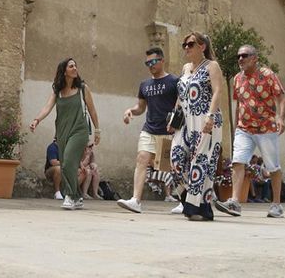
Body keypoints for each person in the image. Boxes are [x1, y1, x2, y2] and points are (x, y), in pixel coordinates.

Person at [214, 44, 285, 219]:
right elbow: (239, 103)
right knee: (238, 162)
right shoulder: (237, 79)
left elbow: (281, 96)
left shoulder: (268, 75)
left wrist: (281, 118)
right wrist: (236, 126)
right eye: (238, 56)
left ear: (254, 58)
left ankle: (276, 204)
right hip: (244, 128)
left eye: (244, 55)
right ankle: (234, 202)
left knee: (273, 167)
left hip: (266, 128)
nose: (240, 59)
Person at [30, 58, 101, 210]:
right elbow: (47, 108)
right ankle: (77, 197)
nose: (75, 68)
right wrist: (37, 120)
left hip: (79, 131)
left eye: (75, 65)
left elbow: (92, 110)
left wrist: (97, 130)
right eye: (71, 66)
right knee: (66, 166)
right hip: (62, 132)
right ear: (64, 71)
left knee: (68, 161)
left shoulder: (83, 88)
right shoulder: (58, 91)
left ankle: (69, 195)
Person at [117, 47, 180, 214]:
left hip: (168, 132)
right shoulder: (144, 84)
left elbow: (180, 105)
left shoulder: (174, 82)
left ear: (162, 60)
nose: (150, 65)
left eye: (153, 62)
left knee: (174, 166)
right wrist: (131, 111)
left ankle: (184, 200)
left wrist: (175, 123)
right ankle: (135, 200)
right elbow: (140, 107)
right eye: (147, 63)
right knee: (142, 159)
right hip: (149, 129)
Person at [170, 32, 226, 221]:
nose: (186, 48)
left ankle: (196, 208)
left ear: (202, 46)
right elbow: (181, 93)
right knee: (176, 158)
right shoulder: (186, 68)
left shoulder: (212, 66)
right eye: (184, 44)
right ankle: (190, 200)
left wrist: (210, 116)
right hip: (186, 121)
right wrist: (174, 116)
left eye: (191, 44)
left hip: (205, 120)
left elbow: (218, 91)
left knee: (201, 162)